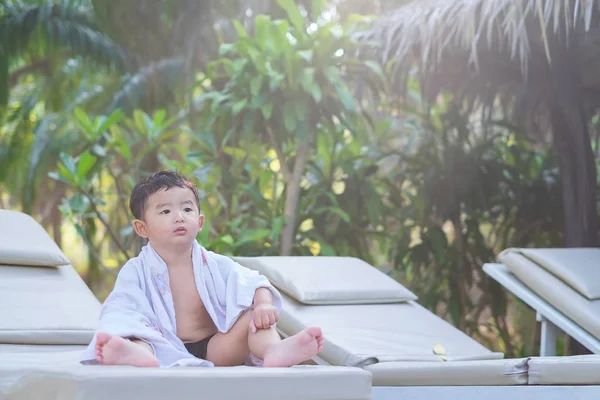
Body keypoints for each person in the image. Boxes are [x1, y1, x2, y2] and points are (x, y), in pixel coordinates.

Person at [80, 171, 323, 368]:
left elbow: (255, 282)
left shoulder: (212, 263)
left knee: (254, 320)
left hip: (215, 348)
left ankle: (273, 349)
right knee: (127, 325)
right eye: (165, 211)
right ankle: (134, 354)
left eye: (187, 209)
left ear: (200, 222)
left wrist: (263, 306)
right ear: (142, 228)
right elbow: (122, 306)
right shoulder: (135, 270)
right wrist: (126, 332)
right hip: (159, 346)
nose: (179, 217)